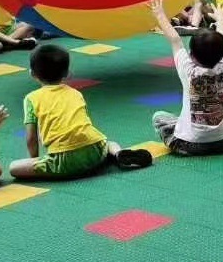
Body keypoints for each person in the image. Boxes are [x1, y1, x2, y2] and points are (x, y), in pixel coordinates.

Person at [10, 45, 152, 180]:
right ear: (67, 73)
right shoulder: (75, 93)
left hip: (64, 160)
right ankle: (118, 153)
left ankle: (55, 165)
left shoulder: (31, 98)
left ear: (32, 73)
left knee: (14, 168)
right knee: (109, 143)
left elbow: (31, 138)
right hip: (95, 149)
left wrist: (34, 160)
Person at [147, 0, 223, 156]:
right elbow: (222, 36)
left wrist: (159, 14)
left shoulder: (188, 70)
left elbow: (175, 40)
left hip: (189, 145)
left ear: (191, 56)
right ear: (222, 53)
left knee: (159, 117)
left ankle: (186, 130)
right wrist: (220, 19)